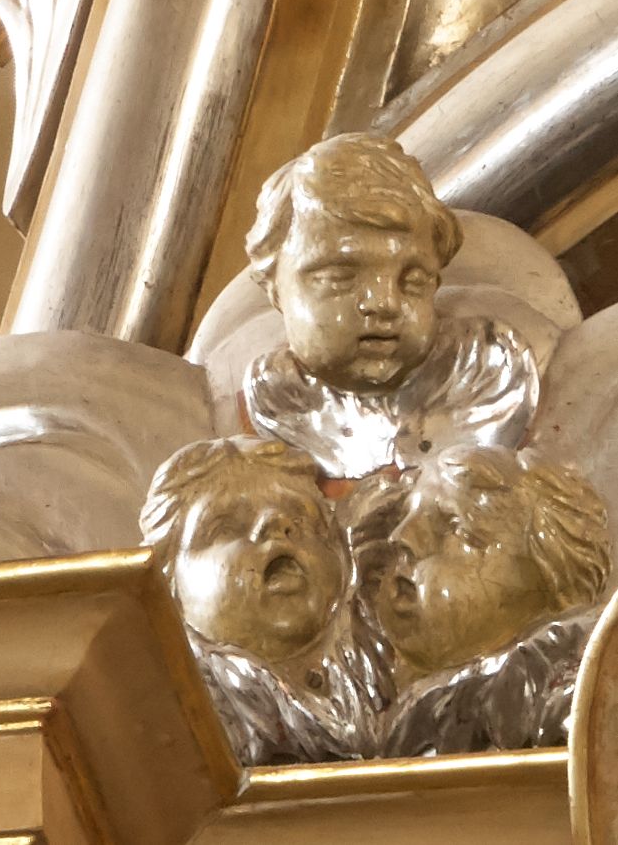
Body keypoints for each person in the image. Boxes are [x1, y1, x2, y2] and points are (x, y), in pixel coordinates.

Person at [239, 134, 534, 477]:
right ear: (274, 287)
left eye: (414, 281)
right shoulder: (261, 407)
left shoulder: (491, 378)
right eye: (339, 277)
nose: (385, 303)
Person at [140, 436, 385, 763]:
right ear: (167, 585)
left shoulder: (381, 677)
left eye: (301, 520)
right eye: (226, 527)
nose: (275, 522)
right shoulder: (167, 721)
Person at [370, 444, 610, 752]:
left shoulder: (567, 704)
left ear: (556, 582)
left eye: (454, 526)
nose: (400, 537)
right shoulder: (387, 708)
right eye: (408, 518)